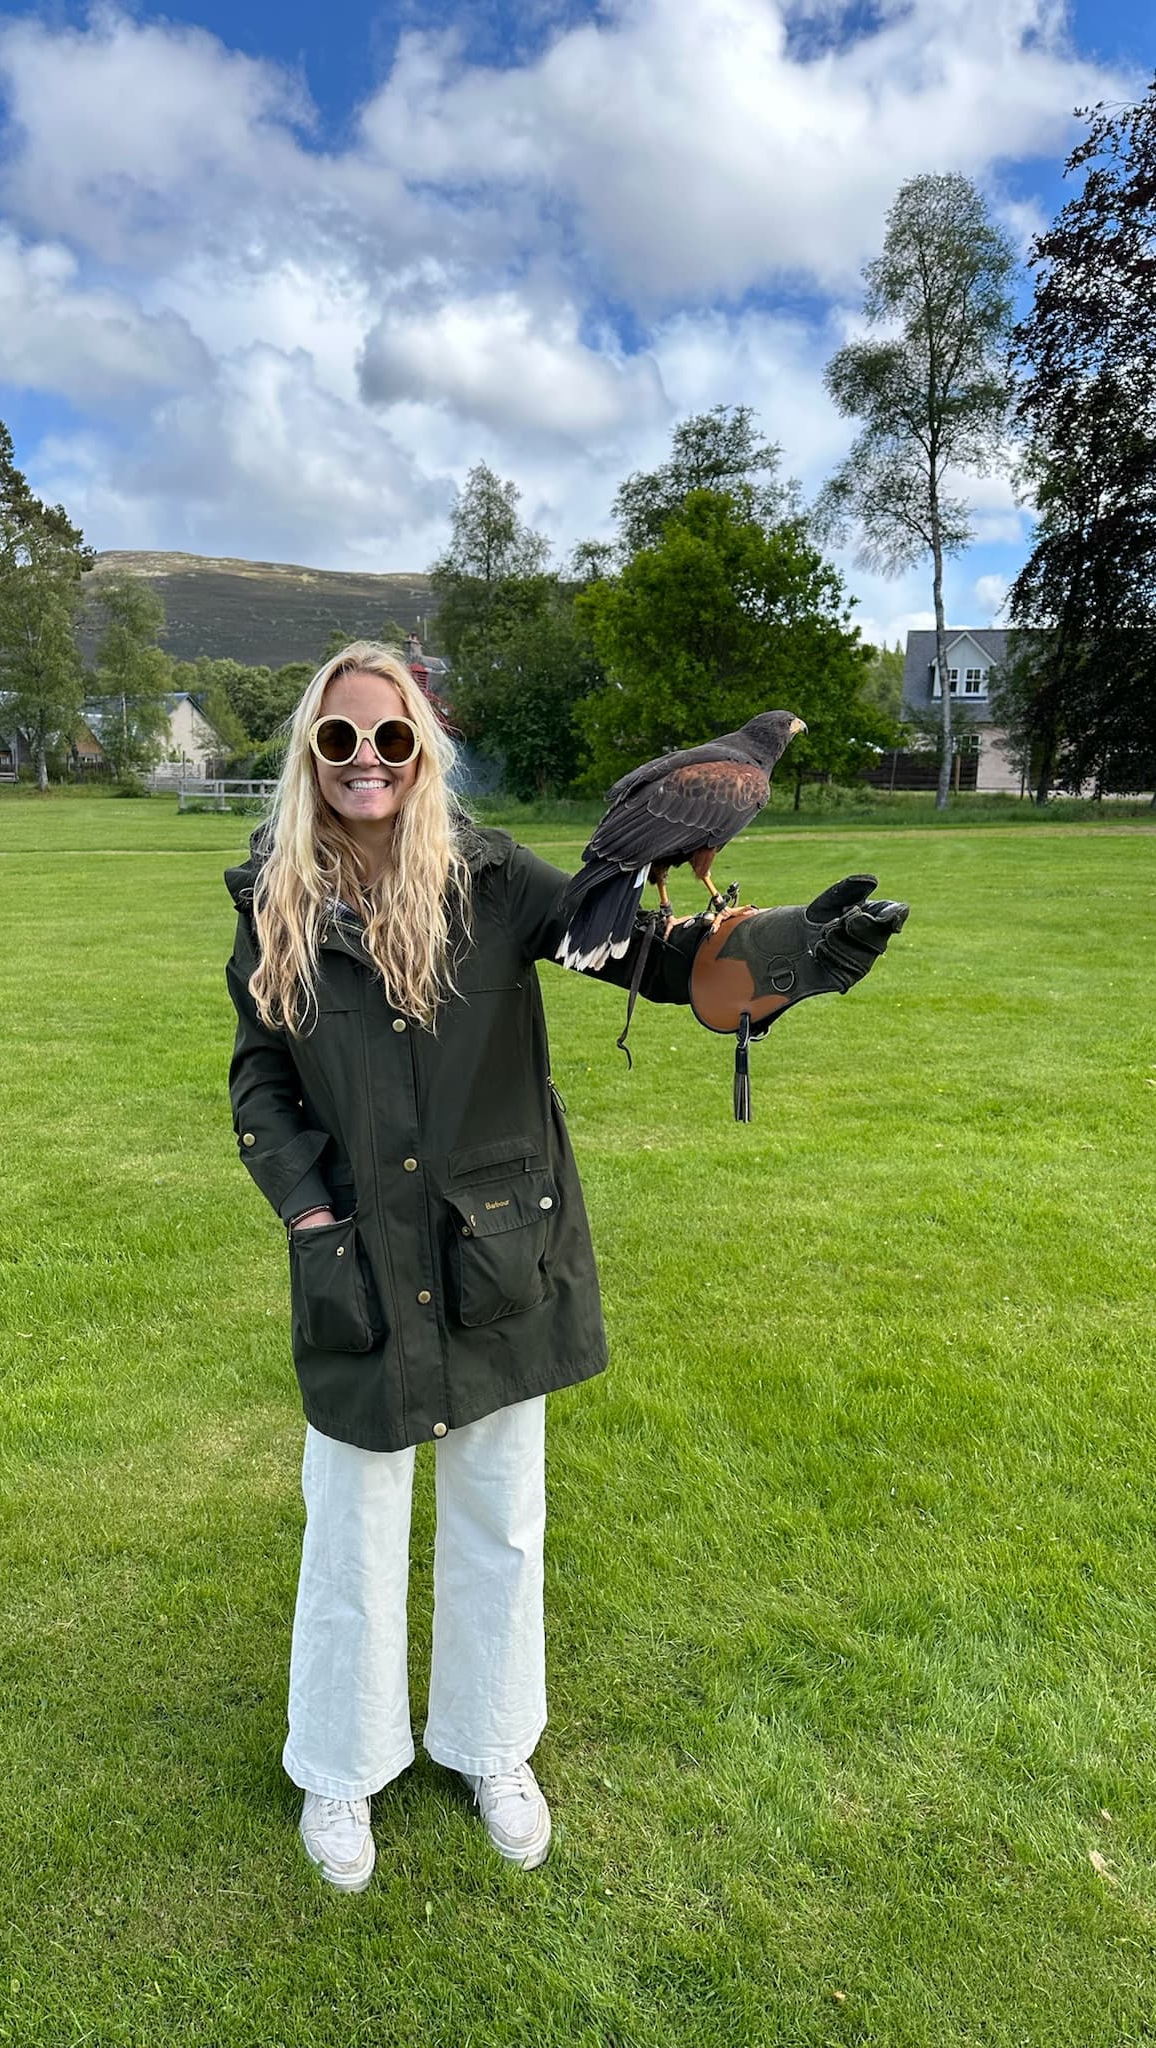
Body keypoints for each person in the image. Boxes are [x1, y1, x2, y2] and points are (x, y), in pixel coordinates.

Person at [222, 641, 904, 1892]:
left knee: (500, 1518)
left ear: (422, 751)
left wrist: (791, 950)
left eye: (391, 737)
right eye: (339, 740)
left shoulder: (493, 878)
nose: (366, 759)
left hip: (500, 1244)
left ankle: (490, 1747)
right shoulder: (273, 898)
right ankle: (340, 1764)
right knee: (352, 1523)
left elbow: (642, 955)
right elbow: (261, 1075)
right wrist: (310, 1217)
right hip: (358, 1259)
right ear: (311, 761)